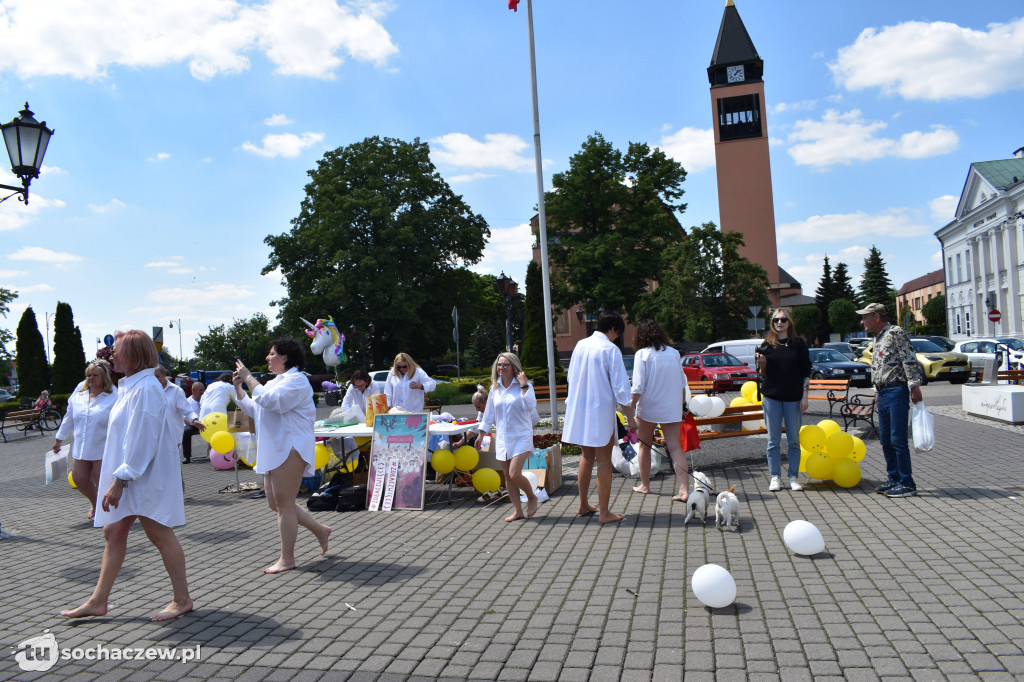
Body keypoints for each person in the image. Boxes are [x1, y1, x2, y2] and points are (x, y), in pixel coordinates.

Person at [61, 330, 193, 621]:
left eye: (118, 350)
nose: (112, 355)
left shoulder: (145, 389)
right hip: (132, 474)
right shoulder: (133, 386)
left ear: (134, 355)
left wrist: (121, 480)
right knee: (114, 532)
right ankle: (98, 600)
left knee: (159, 534)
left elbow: (141, 439)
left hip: (140, 476)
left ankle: (182, 599)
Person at [233, 338, 332, 574]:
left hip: (290, 448)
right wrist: (239, 388)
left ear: (285, 357)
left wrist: (248, 378)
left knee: (284, 505)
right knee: (275, 503)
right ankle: (320, 530)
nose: (268, 358)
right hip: (275, 448)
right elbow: (257, 408)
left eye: (271, 354)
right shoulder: (277, 381)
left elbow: (271, 402)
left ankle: (287, 559)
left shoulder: (297, 381)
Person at [563, 311, 636, 524]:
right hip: (599, 410)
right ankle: (604, 513)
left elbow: (571, 378)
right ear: (613, 329)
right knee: (604, 459)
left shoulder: (580, 345)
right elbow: (622, 388)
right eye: (617, 334)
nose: (616, 338)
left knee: (586, 457)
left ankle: (583, 504)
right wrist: (630, 418)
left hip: (581, 410)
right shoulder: (609, 349)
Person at [858, 302, 923, 498]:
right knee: (885, 439)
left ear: (876, 317)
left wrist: (914, 386)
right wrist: (876, 390)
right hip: (884, 392)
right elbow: (878, 366)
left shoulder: (895, 332)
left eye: (865, 317)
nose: (862, 322)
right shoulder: (878, 337)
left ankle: (907, 482)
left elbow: (909, 359)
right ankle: (893, 477)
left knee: (898, 439)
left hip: (897, 391)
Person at [626, 320, 690, 499]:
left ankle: (645, 485)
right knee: (675, 447)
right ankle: (684, 490)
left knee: (644, 446)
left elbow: (637, 387)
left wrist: (629, 410)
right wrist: (683, 406)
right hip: (671, 407)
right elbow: (682, 383)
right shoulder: (674, 353)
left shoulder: (641, 354)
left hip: (648, 408)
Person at [475, 354, 538, 522]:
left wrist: (524, 385)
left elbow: (530, 406)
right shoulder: (495, 389)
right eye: (499, 365)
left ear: (514, 367)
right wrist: (481, 434)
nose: (501, 368)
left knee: (514, 473)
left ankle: (532, 496)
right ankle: (517, 510)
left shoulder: (524, 386)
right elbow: (488, 415)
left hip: (521, 436)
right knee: (508, 476)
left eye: (505, 365)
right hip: (503, 437)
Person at [755, 307, 812, 492]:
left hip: (794, 398)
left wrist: (805, 396)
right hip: (772, 397)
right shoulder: (767, 344)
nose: (779, 323)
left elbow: (806, 371)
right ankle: (775, 477)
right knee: (773, 440)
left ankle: (793, 477)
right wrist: (762, 366)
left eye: (783, 320)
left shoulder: (799, 344)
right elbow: (762, 375)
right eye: (776, 320)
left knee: (794, 440)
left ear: (790, 322)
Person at [53, 362, 119, 519]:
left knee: (101, 478)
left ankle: (107, 514)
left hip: (102, 445)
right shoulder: (79, 395)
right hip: (81, 446)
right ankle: (96, 503)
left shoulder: (113, 396)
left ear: (104, 378)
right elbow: (69, 417)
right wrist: (59, 439)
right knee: (79, 479)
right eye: (89, 375)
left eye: (95, 375)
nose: (91, 378)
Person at [154, 366, 203, 464]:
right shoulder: (149, 391)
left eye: (157, 376)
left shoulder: (176, 390)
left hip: (172, 435)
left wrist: (195, 421)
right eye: (152, 377)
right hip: (155, 435)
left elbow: (187, 410)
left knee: (172, 467)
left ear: (164, 375)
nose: (155, 379)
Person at [181, 382, 205, 463]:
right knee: (186, 432)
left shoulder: (206, 400)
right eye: (200, 390)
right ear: (193, 391)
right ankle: (187, 456)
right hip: (192, 424)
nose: (202, 392)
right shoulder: (187, 402)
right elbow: (185, 418)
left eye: (203, 390)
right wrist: (194, 423)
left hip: (206, 422)